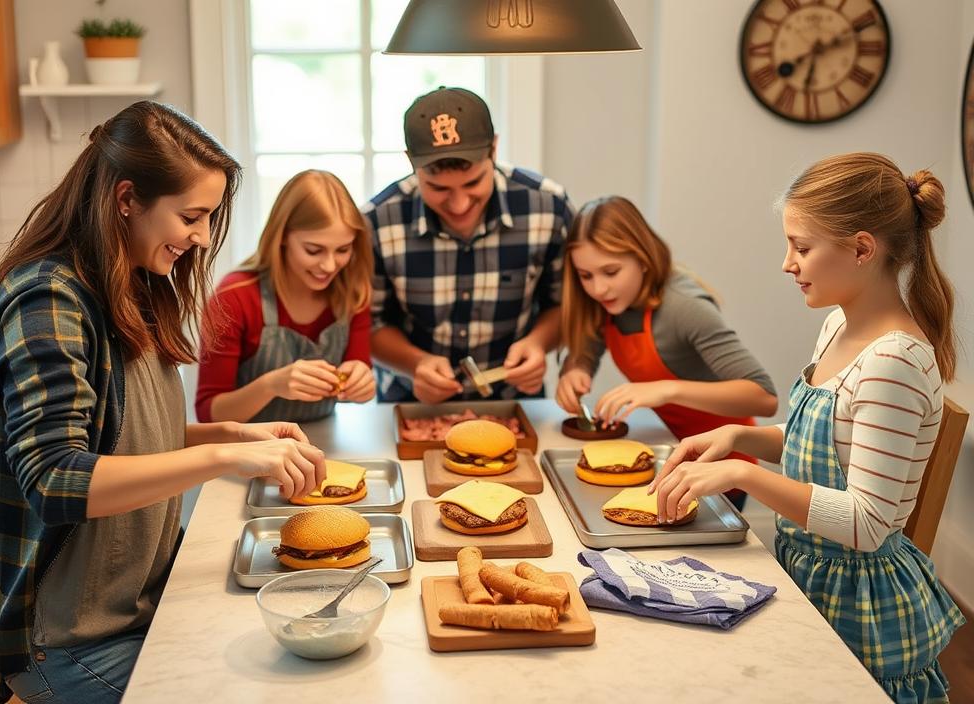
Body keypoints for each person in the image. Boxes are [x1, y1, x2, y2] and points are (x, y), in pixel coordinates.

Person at [0, 101, 327, 704]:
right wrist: (220, 463)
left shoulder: (131, 282)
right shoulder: (47, 300)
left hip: (134, 609)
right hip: (68, 642)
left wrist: (231, 437)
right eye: (192, 215)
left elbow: (122, 437)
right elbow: (56, 480)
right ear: (127, 199)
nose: (204, 236)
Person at [651, 153, 965, 702]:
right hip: (809, 570)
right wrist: (741, 438)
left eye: (801, 247)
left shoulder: (895, 362)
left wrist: (742, 475)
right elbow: (830, 447)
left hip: (860, 605)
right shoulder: (838, 325)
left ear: (862, 249)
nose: (787, 263)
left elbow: (867, 523)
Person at [556, 196, 778, 509]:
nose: (598, 288)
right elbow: (586, 350)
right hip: (669, 453)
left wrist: (667, 389)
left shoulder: (684, 308)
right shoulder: (607, 301)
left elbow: (764, 397)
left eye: (610, 271)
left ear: (643, 258)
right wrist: (575, 370)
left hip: (718, 465)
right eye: (586, 276)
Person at [363, 86, 576, 403]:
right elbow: (368, 323)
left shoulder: (548, 206)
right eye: (437, 188)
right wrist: (416, 363)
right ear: (411, 163)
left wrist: (538, 343)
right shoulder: (378, 220)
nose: (459, 204)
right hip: (410, 402)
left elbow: (568, 304)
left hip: (515, 402)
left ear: (493, 149)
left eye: (474, 182)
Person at [196, 170, 375, 424]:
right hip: (248, 452)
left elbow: (358, 371)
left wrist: (362, 382)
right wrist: (271, 385)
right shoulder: (234, 299)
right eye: (314, 250)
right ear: (282, 238)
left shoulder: (353, 293)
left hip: (323, 442)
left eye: (343, 250)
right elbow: (209, 414)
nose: (329, 265)